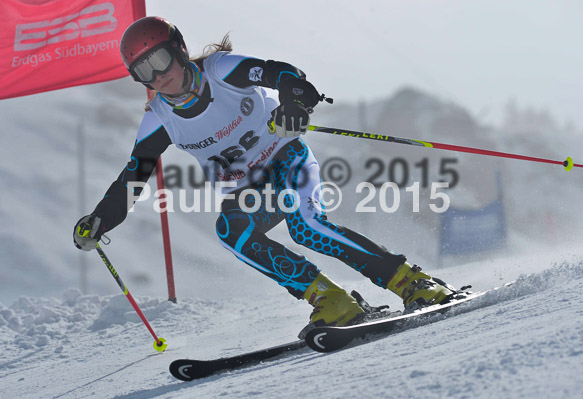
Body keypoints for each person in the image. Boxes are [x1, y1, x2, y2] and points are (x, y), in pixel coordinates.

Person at [73, 16, 456, 328]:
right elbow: (132, 179)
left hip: (286, 160)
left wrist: (293, 103)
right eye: (143, 72)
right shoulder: (159, 120)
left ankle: (410, 281)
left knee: (306, 227)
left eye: (159, 61)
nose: (157, 77)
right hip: (251, 191)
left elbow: (284, 75)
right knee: (231, 231)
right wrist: (100, 220)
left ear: (180, 50)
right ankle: (331, 300)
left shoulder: (221, 71)